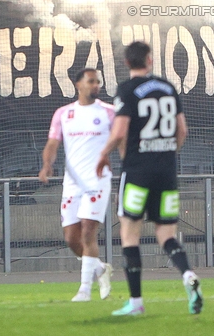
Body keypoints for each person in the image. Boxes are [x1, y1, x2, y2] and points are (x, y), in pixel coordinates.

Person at [95, 41, 203, 316]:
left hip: (137, 171)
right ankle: (187, 274)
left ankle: (136, 303)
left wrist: (103, 154)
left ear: (127, 62)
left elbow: (120, 131)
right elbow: (183, 131)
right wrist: (167, 154)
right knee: (166, 234)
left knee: (130, 233)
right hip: (167, 171)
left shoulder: (127, 90)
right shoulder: (168, 87)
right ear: (150, 60)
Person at [38, 68, 115, 302]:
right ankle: (100, 270)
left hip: (97, 181)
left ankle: (84, 291)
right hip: (72, 183)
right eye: (91, 81)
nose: (96, 85)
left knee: (88, 232)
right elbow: (53, 143)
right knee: (71, 238)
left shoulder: (109, 112)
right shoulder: (63, 113)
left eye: (98, 82)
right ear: (78, 85)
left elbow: (121, 139)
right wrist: (47, 165)